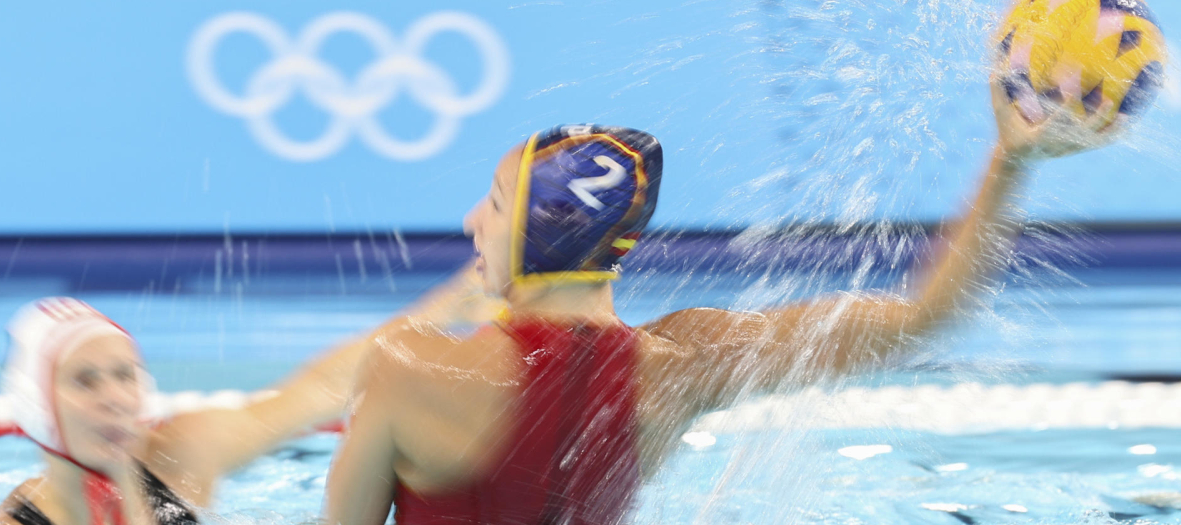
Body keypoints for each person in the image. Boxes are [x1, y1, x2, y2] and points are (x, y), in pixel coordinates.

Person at [323, 72, 1109, 524]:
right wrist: (1012, 159)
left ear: (538, 230)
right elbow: (922, 319)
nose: (471, 221)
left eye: (493, 202)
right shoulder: (686, 363)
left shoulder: (406, 369)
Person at [0, 265, 499, 525]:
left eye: (126, 375)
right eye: (85, 381)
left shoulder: (181, 457)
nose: (115, 397)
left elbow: (320, 389)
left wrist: (448, 302)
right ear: (36, 405)